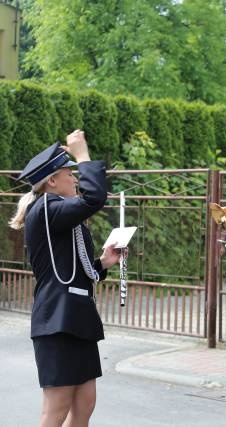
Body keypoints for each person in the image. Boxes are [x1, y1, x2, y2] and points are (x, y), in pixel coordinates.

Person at [9, 130, 119, 427]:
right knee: (56, 409)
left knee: (84, 404)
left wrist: (103, 262)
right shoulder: (46, 209)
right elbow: (95, 197)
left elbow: (72, 266)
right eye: (70, 174)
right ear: (52, 181)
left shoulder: (59, 213)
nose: (75, 179)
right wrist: (82, 154)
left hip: (76, 319)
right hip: (56, 322)